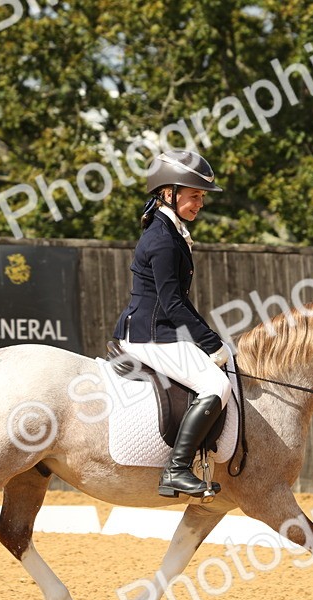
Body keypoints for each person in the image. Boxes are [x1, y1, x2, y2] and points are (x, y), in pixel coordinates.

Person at [112, 150, 231, 498]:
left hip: (158, 330)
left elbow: (179, 304)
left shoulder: (170, 230)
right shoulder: (163, 239)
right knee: (215, 386)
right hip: (149, 335)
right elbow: (173, 304)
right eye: (194, 195)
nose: (199, 204)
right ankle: (176, 469)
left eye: (202, 197)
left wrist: (210, 338)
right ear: (169, 192)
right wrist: (211, 344)